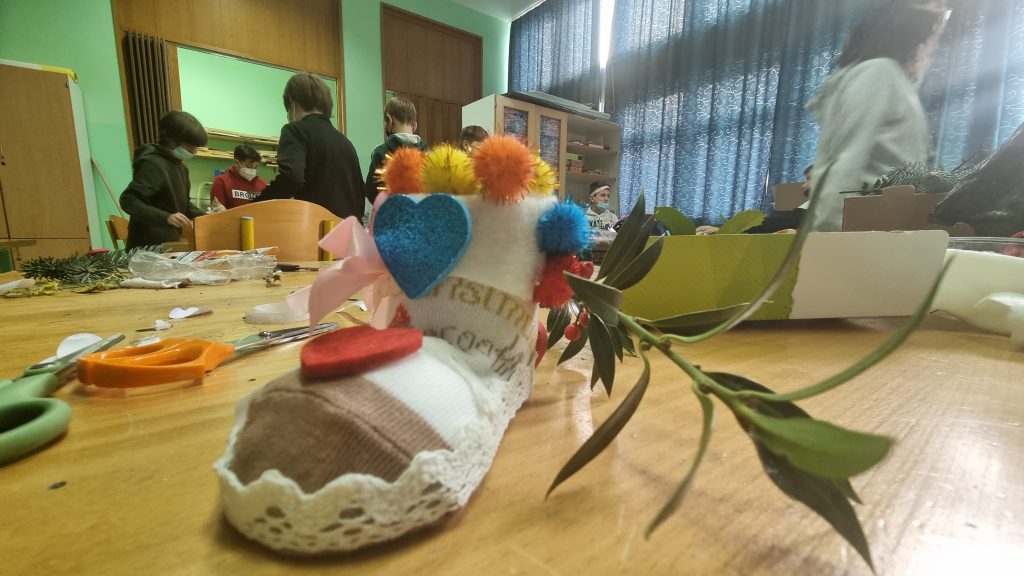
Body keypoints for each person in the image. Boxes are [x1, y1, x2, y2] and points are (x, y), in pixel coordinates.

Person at [806, 2, 949, 231]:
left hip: (883, 228)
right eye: (931, 38)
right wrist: (828, 236)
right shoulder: (878, 73)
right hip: (860, 232)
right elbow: (846, 160)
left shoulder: (891, 79)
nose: (932, 49)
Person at [255, 73, 364, 218]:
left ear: (292, 104)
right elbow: (360, 194)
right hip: (349, 227)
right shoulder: (346, 142)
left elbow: (291, 178)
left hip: (316, 226)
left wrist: (256, 206)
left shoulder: (295, 130)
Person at [120, 110, 207, 249]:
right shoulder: (153, 163)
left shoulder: (181, 168)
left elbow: (184, 206)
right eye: (190, 147)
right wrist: (166, 217)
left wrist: (207, 217)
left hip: (169, 243)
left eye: (196, 147)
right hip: (146, 247)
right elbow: (128, 200)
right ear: (170, 141)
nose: (194, 151)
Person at [364, 96, 429, 203]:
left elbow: (371, 193)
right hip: (420, 211)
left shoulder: (381, 152)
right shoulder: (427, 153)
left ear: (389, 120)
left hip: (390, 211)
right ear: (414, 126)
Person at [209, 145, 267, 211]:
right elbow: (217, 213)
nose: (252, 170)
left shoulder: (262, 184)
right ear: (236, 162)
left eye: (255, 167)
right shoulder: (221, 182)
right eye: (249, 167)